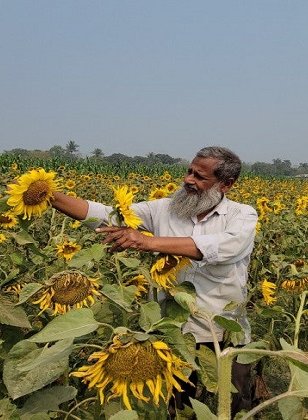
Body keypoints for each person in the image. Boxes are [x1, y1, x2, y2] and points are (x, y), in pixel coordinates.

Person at [50, 146, 258, 414]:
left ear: (226, 184)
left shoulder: (242, 216)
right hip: (174, 330)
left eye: (199, 176)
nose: (188, 180)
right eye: (189, 171)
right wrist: (50, 196)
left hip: (222, 328)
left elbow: (222, 248)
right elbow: (107, 215)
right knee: (177, 407)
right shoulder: (164, 209)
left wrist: (147, 242)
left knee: (235, 405)